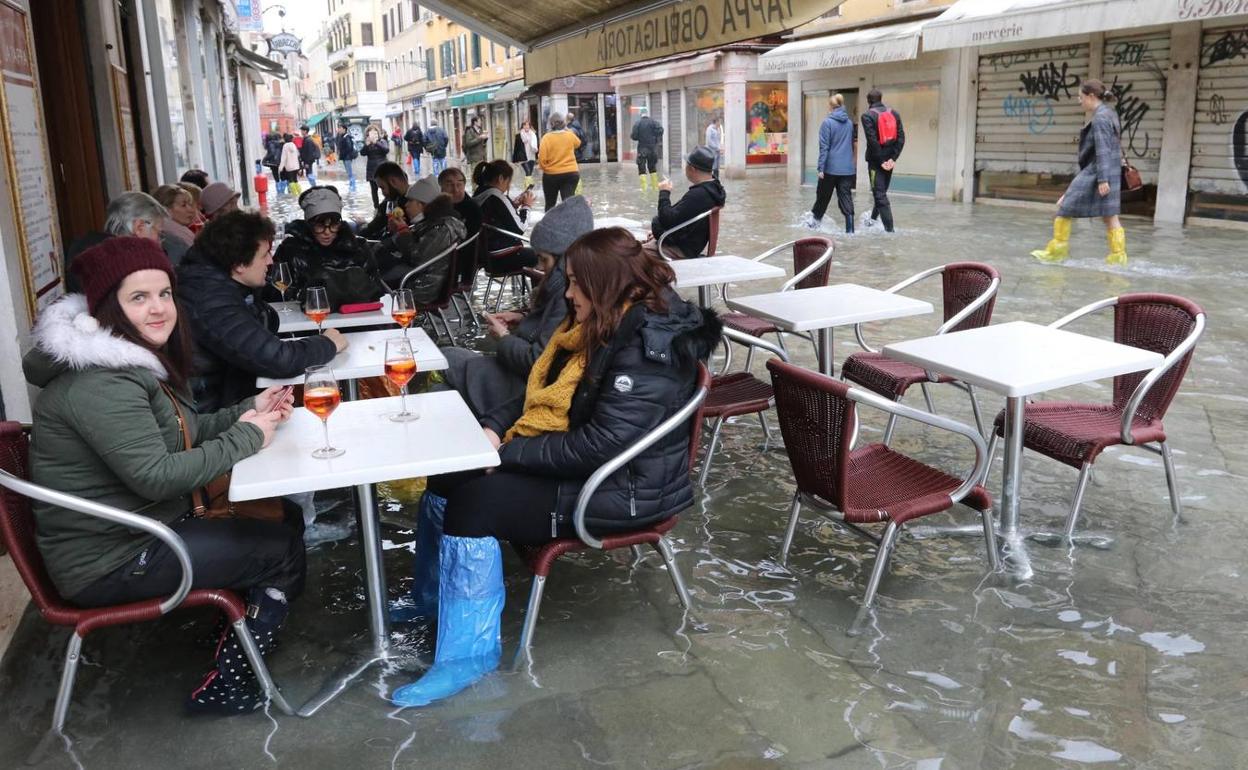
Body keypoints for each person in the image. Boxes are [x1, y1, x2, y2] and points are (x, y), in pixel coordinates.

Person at [389, 227, 721, 707]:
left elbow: (601, 444)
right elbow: (542, 398)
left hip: (624, 490)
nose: (565, 293)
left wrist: (503, 455)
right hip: (595, 467)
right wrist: (493, 429)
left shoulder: (648, 346)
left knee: (473, 502)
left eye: (573, 283)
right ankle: (432, 602)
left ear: (603, 284)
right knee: (447, 475)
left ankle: (466, 658)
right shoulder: (607, 322)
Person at [24, 236, 305, 713]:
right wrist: (248, 438)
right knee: (281, 550)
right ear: (105, 309)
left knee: (285, 516)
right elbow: (156, 475)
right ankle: (227, 688)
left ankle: (232, 627)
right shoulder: (100, 382)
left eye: (164, 294)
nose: (158, 309)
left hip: (136, 531)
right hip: (111, 559)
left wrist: (248, 410)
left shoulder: (121, 364)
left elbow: (181, 435)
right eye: (138, 297)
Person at [437, 195, 595, 422]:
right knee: (446, 360)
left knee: (444, 363)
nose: (539, 267)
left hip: (527, 388)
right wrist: (521, 317)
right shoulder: (566, 291)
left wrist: (504, 337)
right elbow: (549, 333)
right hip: (525, 380)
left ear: (563, 259)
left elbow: (538, 362)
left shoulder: (566, 296)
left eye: (544, 260)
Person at [177, 210, 346, 412]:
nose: (270, 262)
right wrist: (327, 343)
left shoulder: (216, 284)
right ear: (239, 264)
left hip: (226, 399)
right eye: (264, 254)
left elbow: (267, 323)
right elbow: (278, 360)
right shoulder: (210, 299)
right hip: (210, 416)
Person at [1031, 79, 1128, 266]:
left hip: (1097, 170)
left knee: (1064, 206)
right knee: (1110, 216)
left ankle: (1056, 252)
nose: (1079, 100)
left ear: (1091, 96)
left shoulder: (1100, 118)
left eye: (1081, 96)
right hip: (1110, 169)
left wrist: (1102, 180)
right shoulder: (1110, 112)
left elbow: (1102, 149)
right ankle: (1118, 257)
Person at [274, 187, 383, 309]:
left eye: (333, 225)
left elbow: (375, 286)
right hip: (308, 318)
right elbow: (276, 290)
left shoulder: (359, 248)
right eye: (320, 225)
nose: (327, 232)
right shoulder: (290, 249)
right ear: (309, 224)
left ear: (340, 224)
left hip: (356, 315)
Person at [374, 178, 466, 304]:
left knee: (372, 282)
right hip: (415, 276)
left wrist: (402, 231)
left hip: (423, 287)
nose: (406, 205)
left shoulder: (444, 227)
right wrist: (397, 232)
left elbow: (417, 257)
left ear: (422, 204)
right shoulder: (431, 222)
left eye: (411, 200)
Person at [64, 192, 169, 290]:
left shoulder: (90, 251)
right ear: (139, 227)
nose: (160, 241)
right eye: (159, 233)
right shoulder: (121, 265)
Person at [644, 146, 727, 260]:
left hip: (681, 249)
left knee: (628, 255)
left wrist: (664, 192)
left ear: (692, 169)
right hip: (687, 244)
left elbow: (667, 219)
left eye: (686, 165)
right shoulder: (713, 190)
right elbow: (681, 221)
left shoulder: (698, 195)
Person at [804, 93, 857, 233]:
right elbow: (851, 145)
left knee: (823, 197)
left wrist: (821, 167)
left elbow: (824, 147)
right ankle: (850, 231)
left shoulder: (827, 123)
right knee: (846, 198)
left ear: (831, 106)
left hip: (830, 168)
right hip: (847, 169)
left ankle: (813, 226)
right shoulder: (850, 123)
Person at [473, 160, 538, 274]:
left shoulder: (479, 193)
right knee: (545, 256)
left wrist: (513, 206)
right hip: (503, 256)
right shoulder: (497, 195)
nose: (508, 186)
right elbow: (520, 228)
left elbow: (496, 216)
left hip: (486, 257)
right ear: (501, 178)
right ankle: (542, 291)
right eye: (509, 182)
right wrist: (526, 206)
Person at [860, 88, 905, 233]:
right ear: (881, 98)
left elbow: (872, 141)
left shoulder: (867, 116)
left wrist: (880, 161)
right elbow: (901, 138)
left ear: (868, 101)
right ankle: (873, 220)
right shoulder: (894, 113)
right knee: (881, 192)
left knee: (879, 194)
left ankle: (890, 231)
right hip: (889, 161)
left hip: (876, 162)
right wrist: (893, 159)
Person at [537, 113, 580, 210]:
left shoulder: (546, 138)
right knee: (568, 204)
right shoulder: (569, 135)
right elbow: (578, 143)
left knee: (550, 204)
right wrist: (567, 129)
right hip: (571, 173)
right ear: (563, 123)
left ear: (551, 124)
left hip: (551, 175)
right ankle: (570, 224)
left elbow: (542, 159)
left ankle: (550, 224)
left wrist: (546, 169)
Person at [358, 161, 410, 240]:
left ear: (393, 182)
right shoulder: (391, 202)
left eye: (382, 187)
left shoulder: (409, 205)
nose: (382, 193)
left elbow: (374, 226)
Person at [152, 183, 199, 260]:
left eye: (190, 204)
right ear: (166, 209)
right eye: (183, 205)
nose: (191, 210)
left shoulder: (180, 231)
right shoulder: (172, 239)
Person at [631, 106, 663, 191]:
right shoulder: (654, 122)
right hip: (652, 149)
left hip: (642, 149)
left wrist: (640, 136)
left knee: (642, 169)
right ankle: (655, 188)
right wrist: (654, 137)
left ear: (640, 114)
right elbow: (661, 130)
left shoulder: (638, 123)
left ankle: (644, 190)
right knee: (652, 168)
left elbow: (634, 136)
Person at [362, 126, 392, 208]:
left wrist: (376, 143)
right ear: (368, 134)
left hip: (382, 168)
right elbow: (362, 153)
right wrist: (366, 145)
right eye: (371, 133)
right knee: (374, 190)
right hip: (371, 169)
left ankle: (387, 205)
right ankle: (376, 207)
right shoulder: (367, 143)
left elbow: (386, 150)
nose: (373, 135)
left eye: (375, 133)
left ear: (378, 133)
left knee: (386, 187)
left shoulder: (382, 141)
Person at [514, 119, 538, 187]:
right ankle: (529, 186)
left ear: (530, 126)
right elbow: (516, 148)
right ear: (522, 126)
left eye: (528, 125)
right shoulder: (519, 135)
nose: (526, 126)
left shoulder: (533, 134)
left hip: (531, 155)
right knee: (527, 171)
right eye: (525, 125)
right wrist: (515, 160)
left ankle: (526, 186)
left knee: (529, 172)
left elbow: (536, 145)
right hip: (523, 157)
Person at [335, 124, 359, 193]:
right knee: (349, 172)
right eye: (338, 128)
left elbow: (349, 148)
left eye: (340, 128)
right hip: (345, 157)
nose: (339, 130)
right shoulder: (341, 136)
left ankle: (353, 187)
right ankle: (351, 185)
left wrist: (343, 153)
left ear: (344, 129)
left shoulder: (347, 137)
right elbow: (337, 143)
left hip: (347, 158)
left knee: (350, 172)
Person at [279, 133, 302, 197]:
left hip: (289, 166)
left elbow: (283, 158)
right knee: (295, 180)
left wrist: (281, 167)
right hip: (296, 166)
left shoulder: (285, 146)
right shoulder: (294, 145)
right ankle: (300, 192)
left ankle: (294, 194)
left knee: (291, 180)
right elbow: (297, 155)